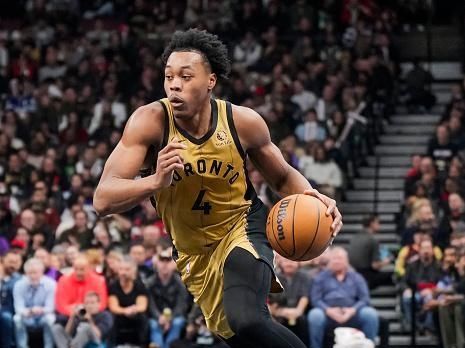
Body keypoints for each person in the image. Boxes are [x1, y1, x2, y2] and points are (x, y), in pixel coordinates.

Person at [93, 29, 342, 348]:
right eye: (168, 76)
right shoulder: (150, 121)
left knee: (248, 319)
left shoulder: (243, 122)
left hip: (241, 228)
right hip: (192, 252)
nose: (174, 85)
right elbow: (102, 200)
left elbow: (282, 178)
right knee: (243, 337)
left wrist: (315, 200)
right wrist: (155, 181)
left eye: (185, 76)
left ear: (210, 80)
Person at [308, 247, 379, 348]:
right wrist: (328, 311)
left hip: (352, 313)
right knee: (315, 315)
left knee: (370, 314)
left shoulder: (357, 277)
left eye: (340, 258)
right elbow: (315, 299)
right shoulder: (320, 278)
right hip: (327, 314)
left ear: (347, 261)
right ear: (329, 261)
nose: (337, 261)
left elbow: (365, 299)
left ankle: (369, 345)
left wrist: (352, 310)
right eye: (334, 259)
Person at [148, 247, 190, 348]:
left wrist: (169, 319)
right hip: (157, 317)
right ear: (156, 263)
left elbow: (182, 305)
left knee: (178, 322)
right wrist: (159, 317)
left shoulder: (180, 283)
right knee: (153, 324)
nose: (165, 264)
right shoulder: (150, 283)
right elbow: (150, 305)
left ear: (174, 264)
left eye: (168, 260)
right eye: (161, 261)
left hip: (175, 316)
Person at [13, 258, 56, 348]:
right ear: (25, 273)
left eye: (35, 272)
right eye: (30, 273)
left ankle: (49, 346)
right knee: (17, 319)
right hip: (27, 316)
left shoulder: (51, 284)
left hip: (43, 315)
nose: (33, 276)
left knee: (50, 319)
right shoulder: (18, 285)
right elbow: (18, 308)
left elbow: (51, 307)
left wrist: (40, 310)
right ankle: (22, 346)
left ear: (42, 272)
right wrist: (29, 311)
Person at [108, 256, 150, 346]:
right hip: (120, 316)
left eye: (127, 270)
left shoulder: (139, 285)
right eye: (121, 269)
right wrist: (125, 311)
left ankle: (142, 345)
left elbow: (142, 306)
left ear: (133, 271)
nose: (123, 273)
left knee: (143, 318)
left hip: (135, 315)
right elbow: (113, 307)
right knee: (112, 318)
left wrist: (133, 310)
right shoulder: (113, 286)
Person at [55, 255, 108, 323]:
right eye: (76, 269)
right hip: (69, 315)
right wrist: (75, 312)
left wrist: (88, 311)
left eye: (82, 269)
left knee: (106, 316)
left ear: (89, 268)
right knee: (59, 319)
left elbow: (102, 303)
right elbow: (60, 305)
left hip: (93, 314)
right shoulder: (63, 280)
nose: (78, 272)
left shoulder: (98, 280)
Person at [348, 214, 393, 289]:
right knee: (393, 275)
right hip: (366, 278)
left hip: (352, 275)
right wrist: (387, 261)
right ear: (372, 224)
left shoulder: (354, 238)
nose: (379, 225)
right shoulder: (372, 240)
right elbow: (375, 266)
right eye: (378, 222)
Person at [0, 251, 22, 348]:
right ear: (3, 260)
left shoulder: (19, 279)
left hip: (11, 309)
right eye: (10, 262)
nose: (12, 265)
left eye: (16, 262)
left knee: (6, 317)